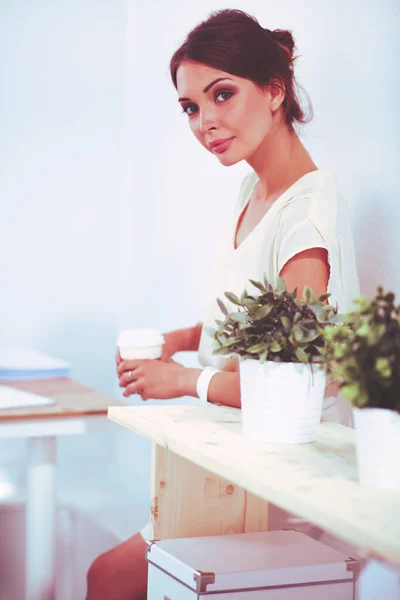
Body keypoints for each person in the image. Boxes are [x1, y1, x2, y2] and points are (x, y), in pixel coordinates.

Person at [86, 8, 359, 599]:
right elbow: (248, 319)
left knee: (107, 577)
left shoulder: (306, 212)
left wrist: (182, 378)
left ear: (275, 90)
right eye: (190, 107)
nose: (205, 121)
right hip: (236, 453)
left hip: (284, 475)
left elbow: (295, 382)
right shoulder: (253, 189)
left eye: (222, 95)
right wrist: (182, 340)